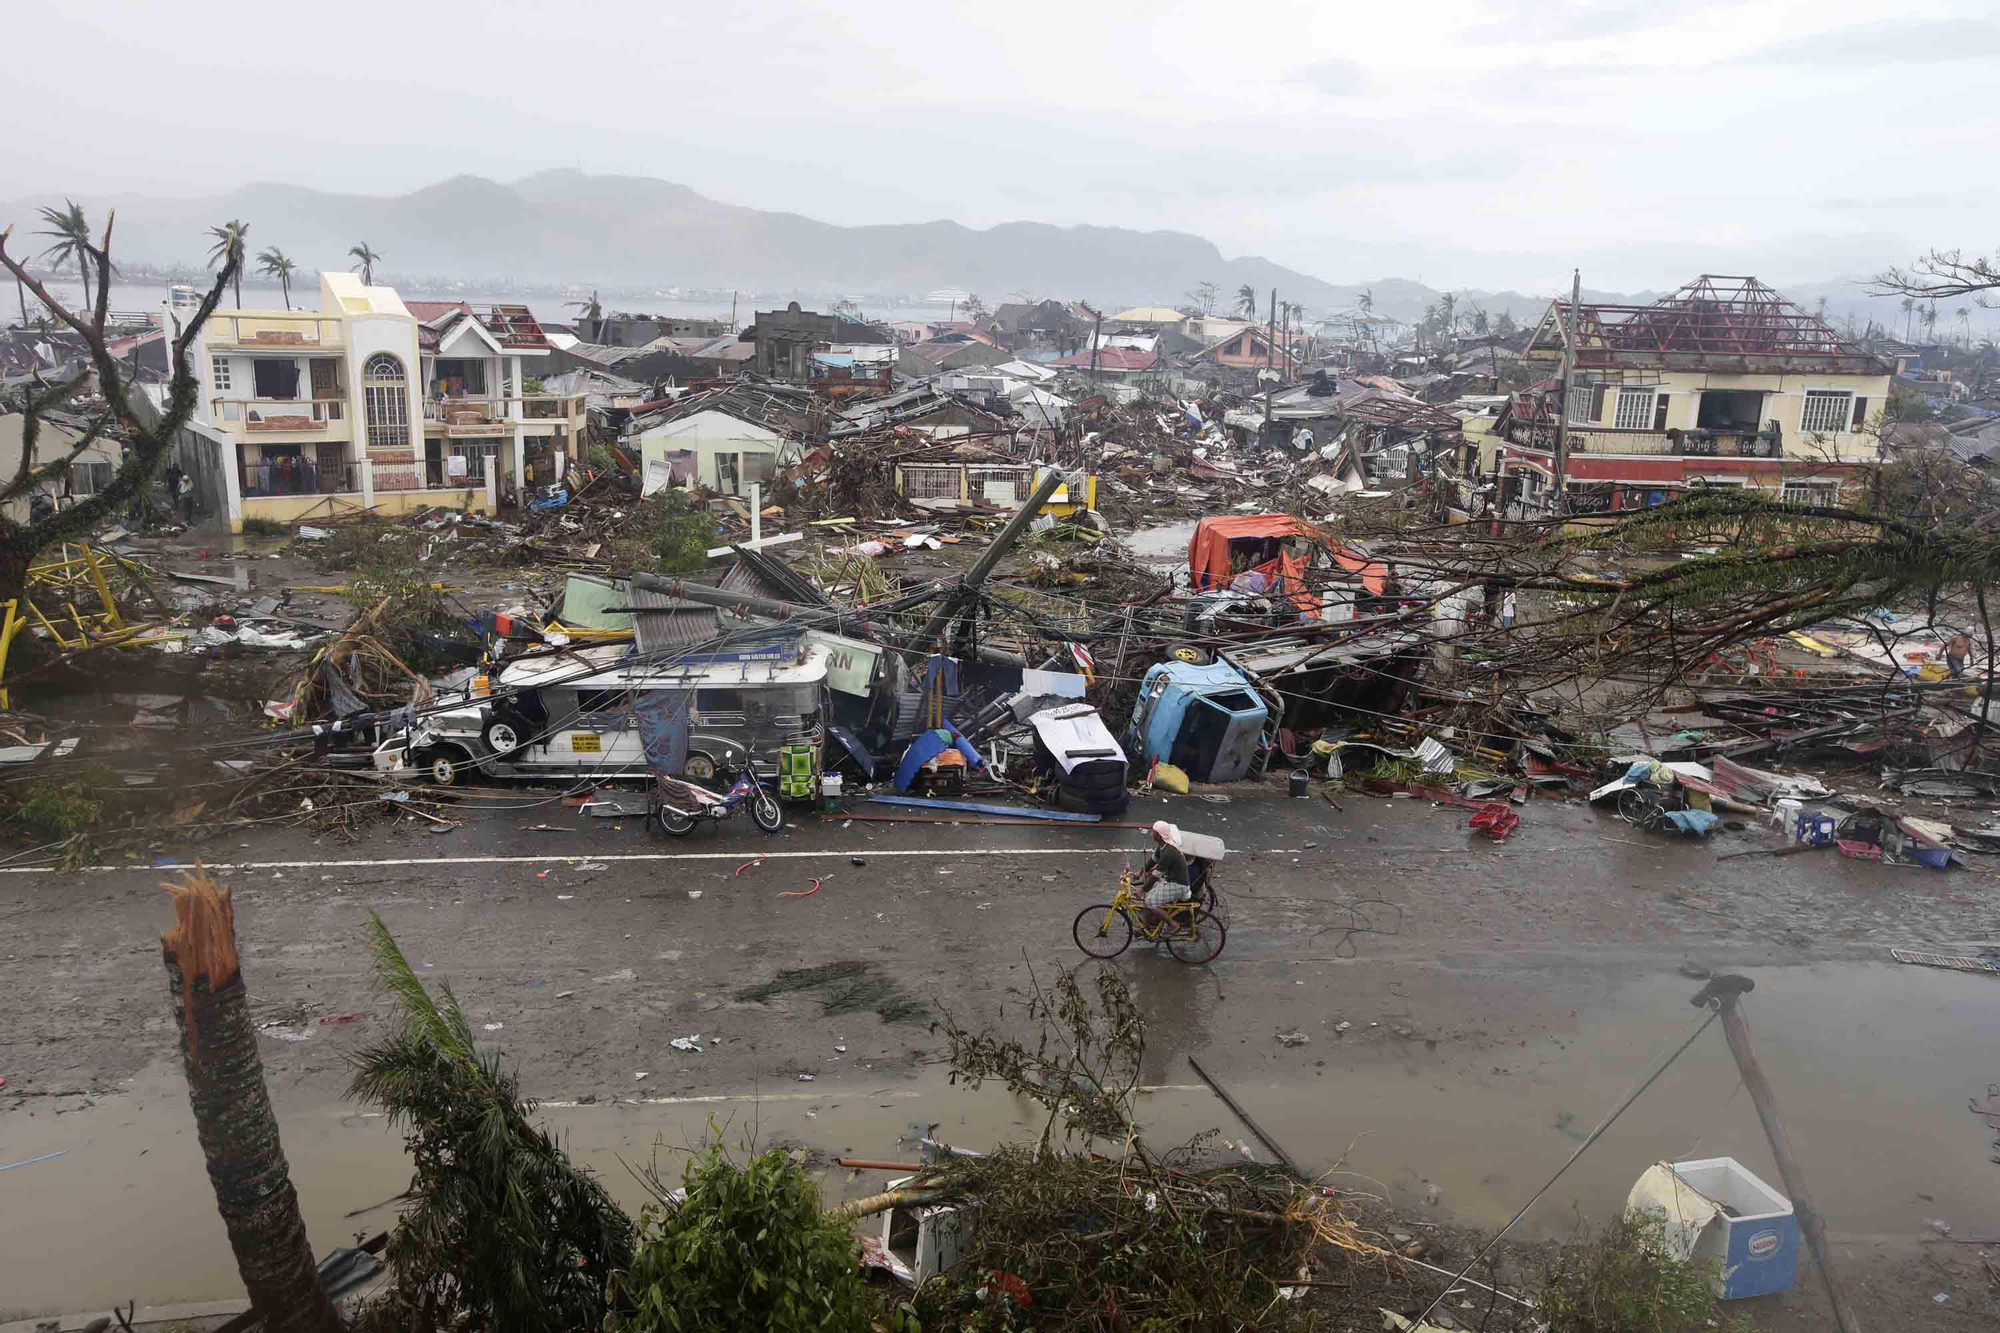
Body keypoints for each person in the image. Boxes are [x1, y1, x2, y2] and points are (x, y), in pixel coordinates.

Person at [1136, 820, 1194, 936]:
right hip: (1169, 880)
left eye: (1153, 832)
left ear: (1158, 835)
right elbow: (1153, 860)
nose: (1152, 834)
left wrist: (1142, 889)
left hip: (1179, 885)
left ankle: (1173, 925)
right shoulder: (1162, 846)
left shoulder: (1169, 852)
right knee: (1148, 897)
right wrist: (1141, 871)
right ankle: (1147, 926)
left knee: (1150, 902)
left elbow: (1155, 876)